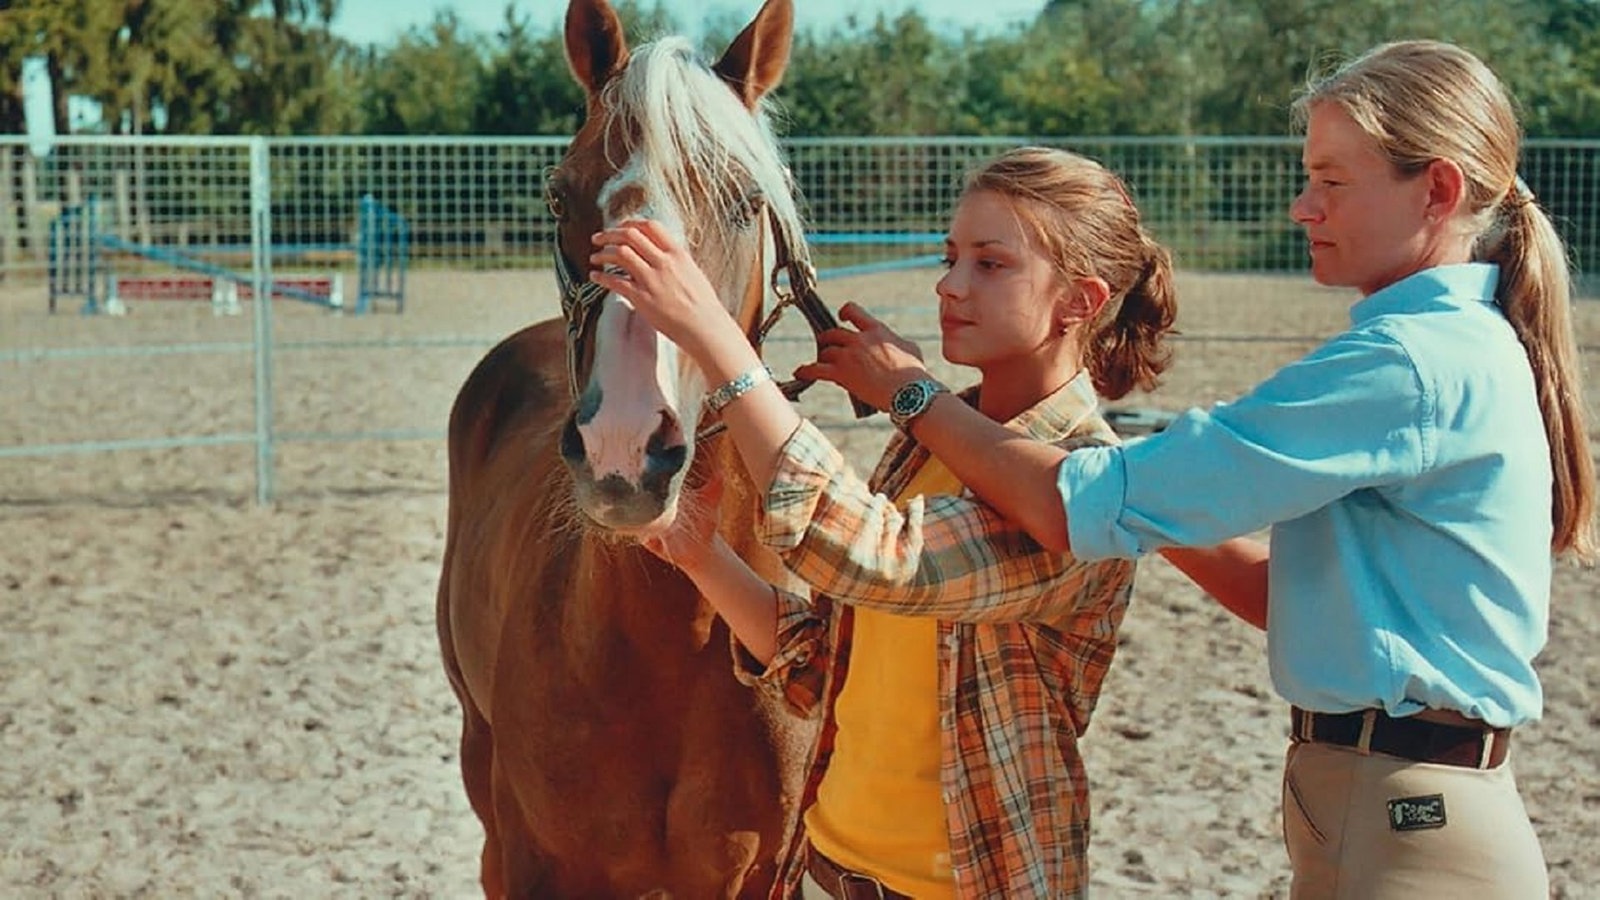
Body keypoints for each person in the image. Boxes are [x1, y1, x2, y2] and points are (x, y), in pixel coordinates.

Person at [744, 41, 1596, 899]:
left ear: (1439, 189)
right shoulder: (1453, 350)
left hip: (1403, 820)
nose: (1304, 207)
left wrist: (912, 393)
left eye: (1333, 182)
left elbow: (1070, 503)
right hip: (1396, 806)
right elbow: (1280, 593)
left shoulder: (1406, 364)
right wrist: (1141, 508)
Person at [588, 147, 1179, 898]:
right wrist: (701, 555)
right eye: (950, 255)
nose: (949, 284)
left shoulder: (1086, 485)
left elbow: (873, 557)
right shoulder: (929, 448)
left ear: (1080, 302)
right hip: (826, 871)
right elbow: (828, 664)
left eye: (990, 265)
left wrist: (717, 341)